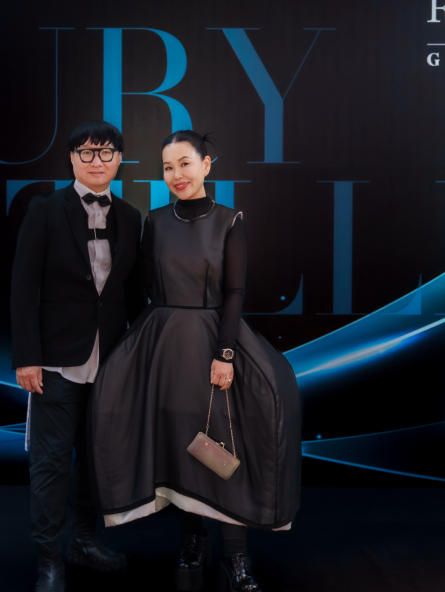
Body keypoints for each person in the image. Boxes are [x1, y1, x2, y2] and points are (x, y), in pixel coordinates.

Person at [88, 130, 302, 592]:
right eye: (168, 167)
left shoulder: (229, 220)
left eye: (185, 163)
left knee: (220, 448)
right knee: (178, 443)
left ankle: (236, 558)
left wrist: (225, 353)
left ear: (206, 165)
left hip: (213, 343)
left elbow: (235, 292)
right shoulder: (155, 222)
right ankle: (193, 541)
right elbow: (146, 285)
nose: (176, 175)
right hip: (164, 345)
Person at [10, 121, 146, 592]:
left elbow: (134, 295)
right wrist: (26, 357)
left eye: (106, 152)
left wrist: (139, 357)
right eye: (86, 152)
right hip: (54, 363)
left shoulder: (130, 216)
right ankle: (49, 559)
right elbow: (23, 286)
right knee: (50, 465)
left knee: (95, 461)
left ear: (119, 159)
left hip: (111, 363)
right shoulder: (45, 209)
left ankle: (84, 542)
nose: (96, 160)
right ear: (71, 159)